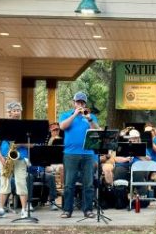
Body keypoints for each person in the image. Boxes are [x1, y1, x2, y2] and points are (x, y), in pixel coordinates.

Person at [59, 91, 99, 219]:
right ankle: (67, 210)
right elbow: (63, 126)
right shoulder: (66, 115)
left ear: (85, 104)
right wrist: (74, 114)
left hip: (88, 154)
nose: (80, 104)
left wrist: (90, 119)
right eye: (78, 102)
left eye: (82, 102)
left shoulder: (90, 116)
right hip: (70, 154)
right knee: (69, 183)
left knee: (88, 184)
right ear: (74, 103)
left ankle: (88, 210)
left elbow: (97, 131)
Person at [0, 102, 31, 219]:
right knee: (4, 184)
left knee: (21, 183)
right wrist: (0, 157)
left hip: (20, 157)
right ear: (9, 112)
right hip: (5, 158)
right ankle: (1, 209)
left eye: (18, 110)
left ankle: (24, 210)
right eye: (14, 110)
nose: (17, 113)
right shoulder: (3, 125)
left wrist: (20, 144)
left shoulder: (25, 126)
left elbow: (32, 145)